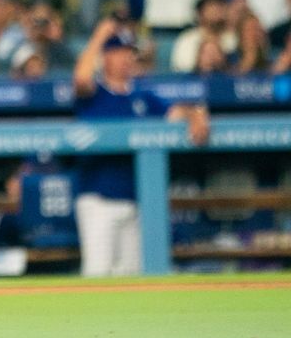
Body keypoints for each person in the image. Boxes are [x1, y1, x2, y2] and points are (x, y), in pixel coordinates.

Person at [72, 19, 210, 277]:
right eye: (117, 53)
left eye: (128, 53)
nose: (125, 58)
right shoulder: (96, 94)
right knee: (97, 274)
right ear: (106, 57)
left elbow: (177, 112)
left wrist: (197, 113)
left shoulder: (143, 97)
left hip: (136, 201)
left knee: (134, 277)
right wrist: (99, 37)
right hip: (99, 200)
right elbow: (80, 78)